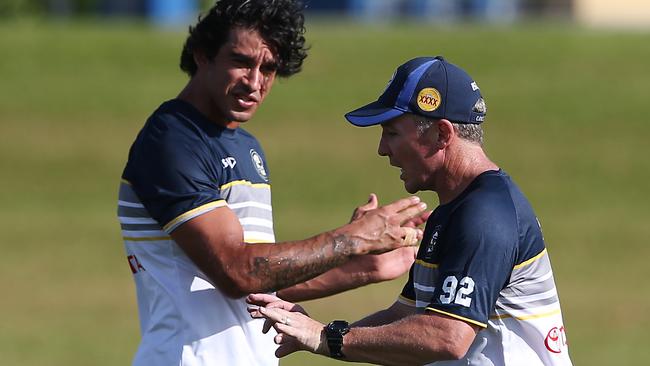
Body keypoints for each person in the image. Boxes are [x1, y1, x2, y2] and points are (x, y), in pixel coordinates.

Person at [117, 1, 429, 365]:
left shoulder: (243, 145)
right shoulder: (173, 142)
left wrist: (365, 265)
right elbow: (237, 272)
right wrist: (354, 239)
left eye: (268, 68)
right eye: (241, 62)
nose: (255, 82)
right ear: (203, 55)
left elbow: (257, 284)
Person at [249, 56, 573, 365]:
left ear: (442, 134)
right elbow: (406, 319)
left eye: (391, 133)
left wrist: (327, 337)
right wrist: (322, 332)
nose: (382, 149)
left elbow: (448, 337)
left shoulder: (484, 215)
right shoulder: (452, 212)